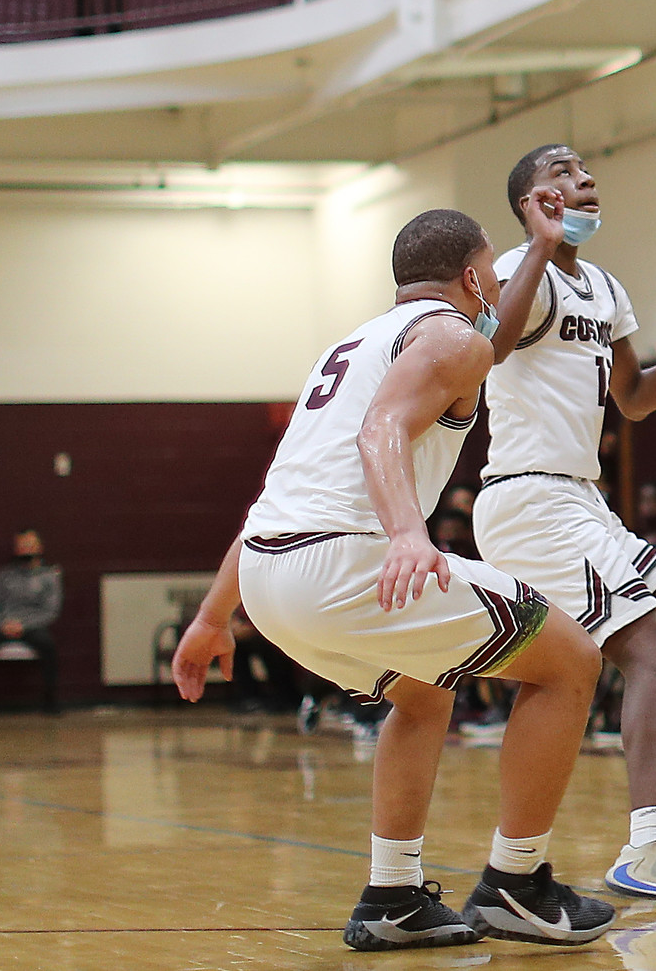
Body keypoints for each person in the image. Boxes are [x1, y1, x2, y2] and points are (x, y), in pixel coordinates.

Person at [172, 209, 613, 951]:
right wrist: (409, 535)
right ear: (472, 278)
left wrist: (214, 614)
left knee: (423, 690)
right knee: (571, 660)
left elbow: (278, 497)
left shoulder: (346, 346)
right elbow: (381, 429)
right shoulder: (453, 336)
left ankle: (393, 895)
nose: (497, 291)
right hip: (342, 564)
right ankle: (517, 881)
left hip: (271, 576)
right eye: (493, 278)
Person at [478, 145, 656, 907]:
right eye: (563, 171)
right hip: (528, 497)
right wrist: (534, 243)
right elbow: (490, 346)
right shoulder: (512, 267)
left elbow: (630, 397)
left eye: (586, 170)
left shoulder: (602, 284)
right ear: (531, 197)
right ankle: (647, 846)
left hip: (581, 498)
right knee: (653, 653)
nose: (584, 178)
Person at [0, 530, 64, 714]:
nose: (26, 551)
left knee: (48, 645)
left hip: (32, 626)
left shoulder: (49, 577)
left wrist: (25, 625)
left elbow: (51, 611)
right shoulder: (3, 575)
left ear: (39, 548)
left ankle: (50, 701)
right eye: (22, 546)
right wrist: (1, 624)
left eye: (30, 546)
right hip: (3, 624)